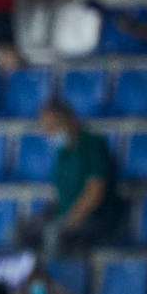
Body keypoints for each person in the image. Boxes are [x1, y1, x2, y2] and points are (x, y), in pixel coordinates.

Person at [31, 99, 126, 260]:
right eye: (45, 128)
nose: (48, 133)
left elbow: (95, 193)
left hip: (96, 218)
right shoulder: (62, 152)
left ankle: (56, 282)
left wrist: (67, 220)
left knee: (54, 233)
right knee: (25, 230)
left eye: (53, 127)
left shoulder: (92, 145)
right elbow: (62, 194)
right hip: (66, 215)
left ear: (70, 121)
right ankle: (27, 282)